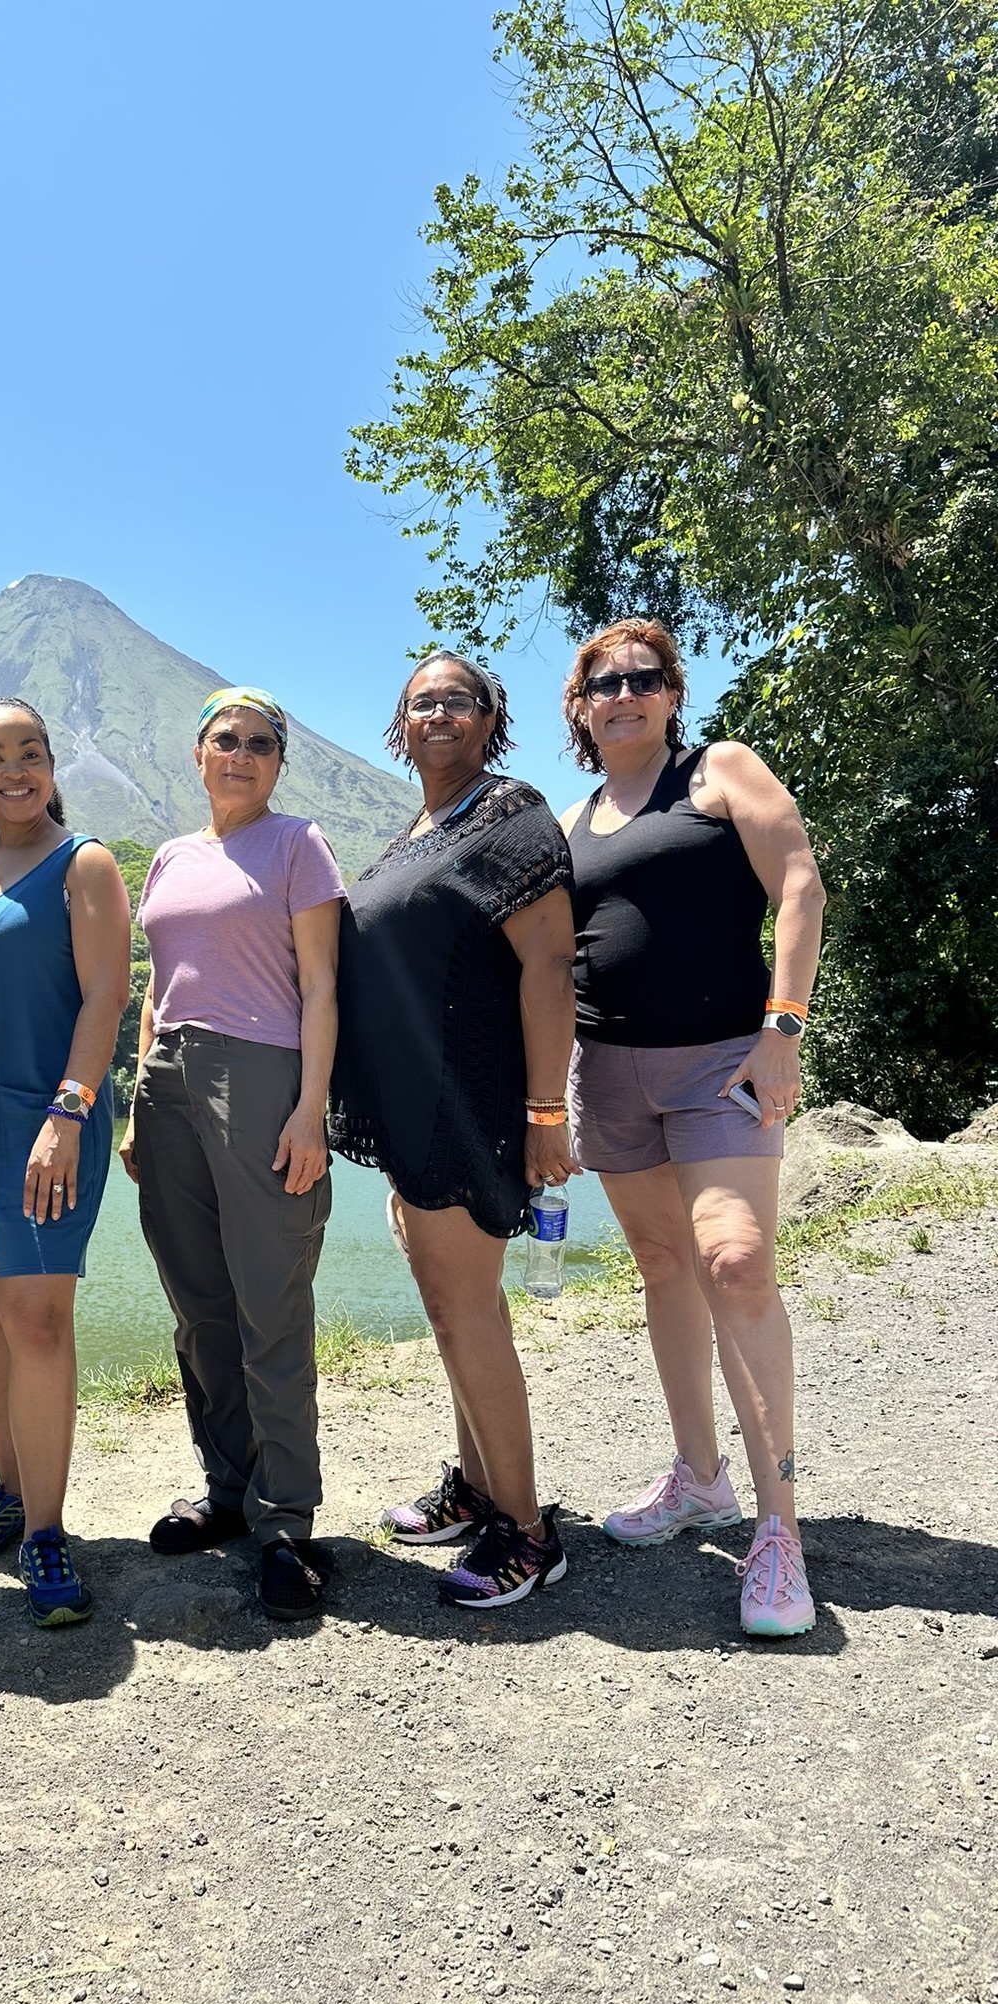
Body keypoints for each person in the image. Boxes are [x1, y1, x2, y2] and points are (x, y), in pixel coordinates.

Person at [557, 618, 826, 1638]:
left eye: (643, 677)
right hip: (609, 1071)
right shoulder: (576, 815)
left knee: (737, 1261)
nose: (623, 693)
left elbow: (798, 882)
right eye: (603, 681)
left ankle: (778, 1531)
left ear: (671, 692)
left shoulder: (718, 770)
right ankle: (699, 1478)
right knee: (664, 1264)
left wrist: (782, 1030)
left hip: (723, 1058)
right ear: (581, 707)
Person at [329, 652, 578, 1611]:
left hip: (467, 1101)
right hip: (416, 1106)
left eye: (458, 700)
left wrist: (546, 1112)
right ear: (401, 723)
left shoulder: (509, 813)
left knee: (465, 1310)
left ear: (489, 719)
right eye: (421, 700)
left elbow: (550, 966)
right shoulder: (421, 829)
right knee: (453, 1305)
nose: (439, 711)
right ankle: (479, 1489)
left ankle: (526, 1529)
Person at [118, 688, 344, 1623]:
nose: (241, 755)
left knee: (270, 1307)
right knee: (199, 1308)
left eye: (260, 744)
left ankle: (288, 1520)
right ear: (199, 753)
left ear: (277, 763)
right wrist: (138, 1098)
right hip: (167, 1085)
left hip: (260, 1079)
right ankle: (226, 1490)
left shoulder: (298, 845)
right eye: (226, 740)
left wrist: (309, 1112)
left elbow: (323, 984)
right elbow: (158, 991)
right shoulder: (171, 856)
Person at [0, 699, 131, 1628]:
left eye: (31, 753)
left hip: (50, 1122)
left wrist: (70, 1111)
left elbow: (107, 997)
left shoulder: (82, 863)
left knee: (41, 1319)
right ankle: (9, 1492)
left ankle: (48, 1530)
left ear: (53, 765)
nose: (15, 770)